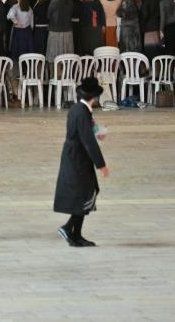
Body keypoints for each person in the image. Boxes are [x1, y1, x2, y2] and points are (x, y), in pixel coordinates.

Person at [53, 77, 109, 247]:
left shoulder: (80, 110)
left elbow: (87, 132)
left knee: (86, 194)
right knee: (85, 195)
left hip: (75, 157)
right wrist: (101, 165)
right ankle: (69, 228)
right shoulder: (81, 112)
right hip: (78, 159)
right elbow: (88, 141)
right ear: (95, 97)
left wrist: (97, 131)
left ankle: (76, 234)